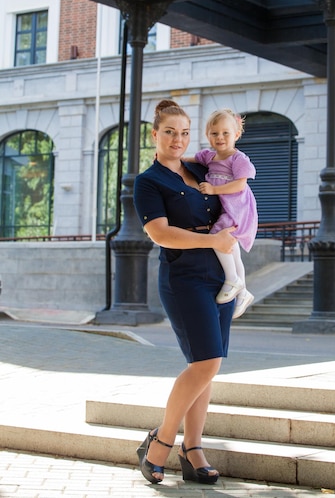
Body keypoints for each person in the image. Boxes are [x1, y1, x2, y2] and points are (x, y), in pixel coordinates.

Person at [133, 99, 237, 485]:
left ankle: (192, 451)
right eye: (169, 132)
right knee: (206, 362)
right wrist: (213, 243)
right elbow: (159, 232)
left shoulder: (201, 167)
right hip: (183, 275)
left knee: (208, 366)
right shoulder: (148, 181)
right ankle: (161, 442)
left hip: (219, 272)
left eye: (184, 132)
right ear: (154, 135)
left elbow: (232, 159)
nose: (177, 139)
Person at [189, 108, 257, 319]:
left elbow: (239, 185)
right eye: (214, 133)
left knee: (218, 236)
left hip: (238, 208)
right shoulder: (208, 157)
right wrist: (170, 158)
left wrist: (213, 189)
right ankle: (244, 291)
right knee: (231, 248)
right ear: (207, 135)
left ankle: (232, 279)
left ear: (236, 135)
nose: (220, 138)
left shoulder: (238, 159)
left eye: (225, 133)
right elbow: (188, 160)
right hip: (226, 208)